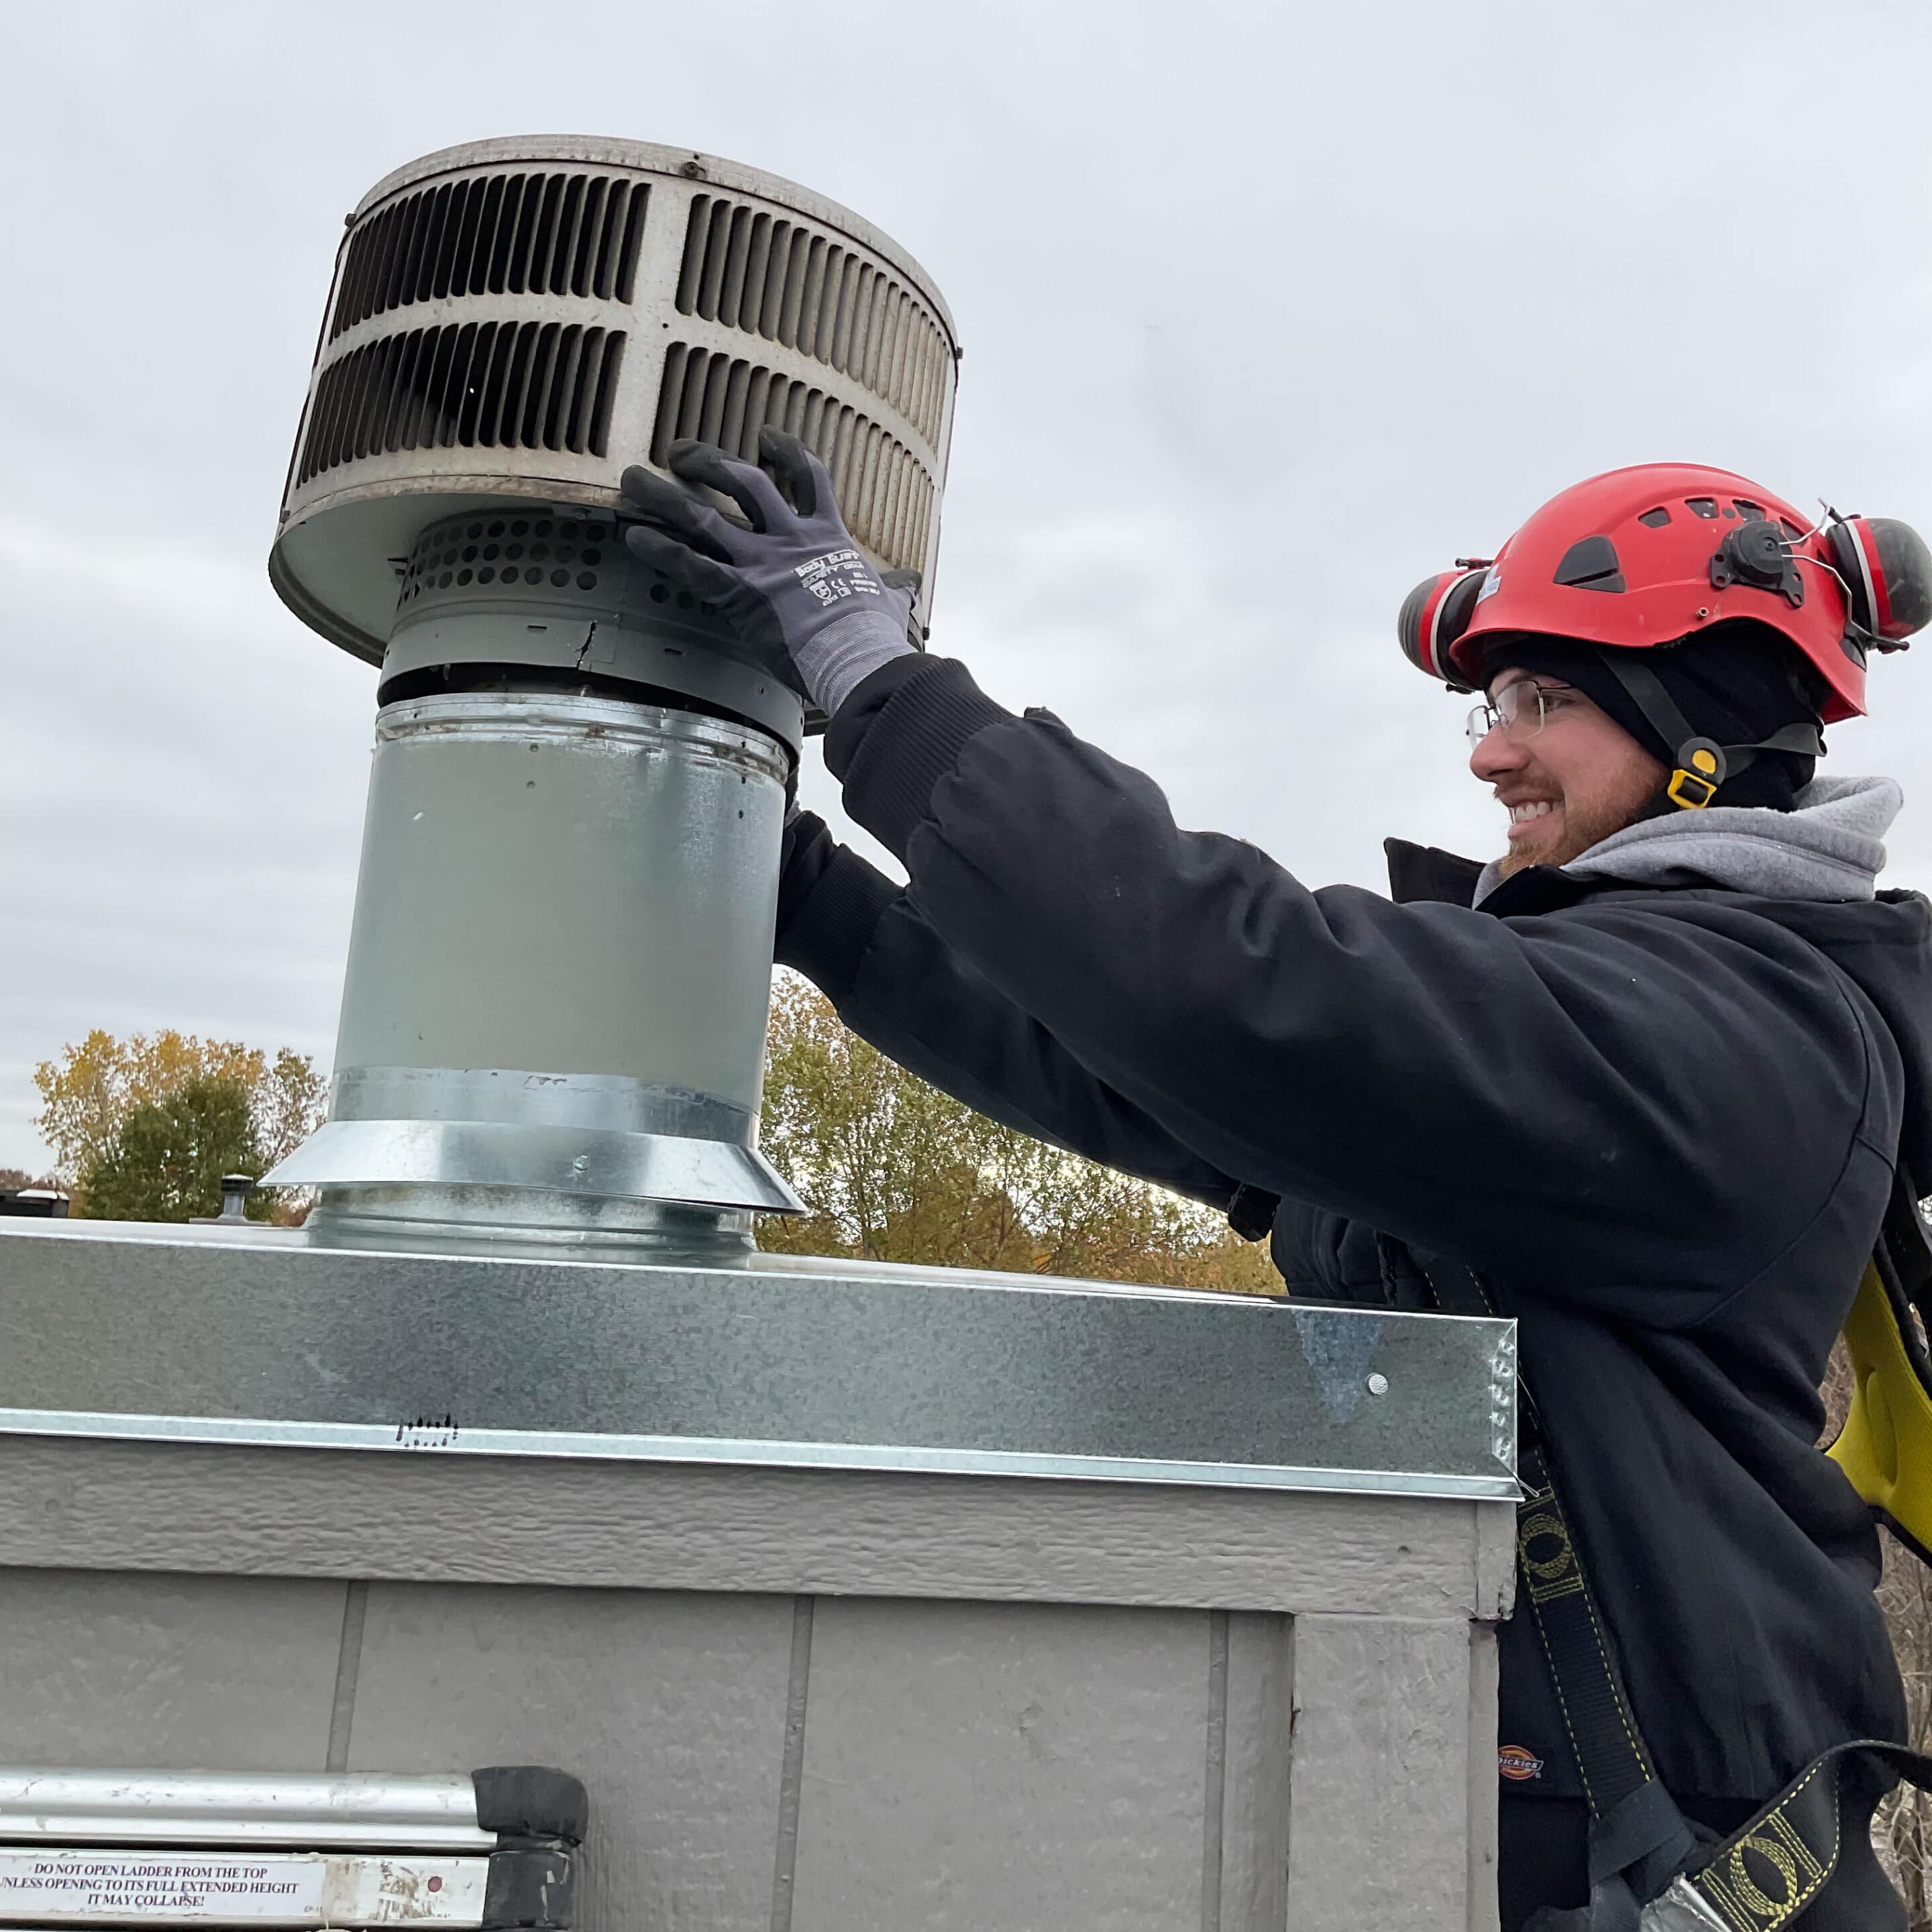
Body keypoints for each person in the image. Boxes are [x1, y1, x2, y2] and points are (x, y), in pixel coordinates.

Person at [623, 442, 1932, 1929]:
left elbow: (1254, 988)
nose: (1492, 753)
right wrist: (798, 883)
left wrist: (884, 687)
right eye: (1496, 703)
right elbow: (1130, 1066)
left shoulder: (1747, 1031)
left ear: (1712, 721)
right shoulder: (1596, 1014)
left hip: (1678, 1882)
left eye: (1548, 701)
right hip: (1546, 1850)